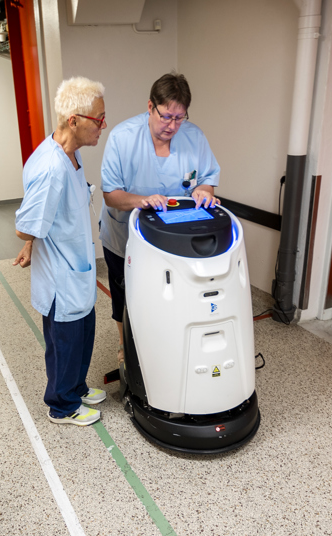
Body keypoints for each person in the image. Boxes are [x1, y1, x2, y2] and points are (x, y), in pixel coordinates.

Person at [99, 72, 221, 361]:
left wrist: (204, 191)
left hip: (176, 241)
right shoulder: (122, 137)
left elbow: (206, 178)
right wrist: (141, 201)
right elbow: (110, 194)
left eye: (180, 118)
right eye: (166, 116)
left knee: (171, 294)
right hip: (124, 237)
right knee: (126, 295)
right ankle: (125, 345)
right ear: (150, 106)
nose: (172, 126)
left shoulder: (194, 137)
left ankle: (169, 344)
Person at [13, 76, 108, 426]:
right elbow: (27, 223)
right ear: (74, 121)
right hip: (61, 276)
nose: (103, 125)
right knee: (65, 342)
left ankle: (77, 387)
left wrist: (32, 240)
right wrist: (29, 237)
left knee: (83, 334)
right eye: (98, 119)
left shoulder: (71, 152)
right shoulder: (52, 168)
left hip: (77, 267)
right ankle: (62, 405)